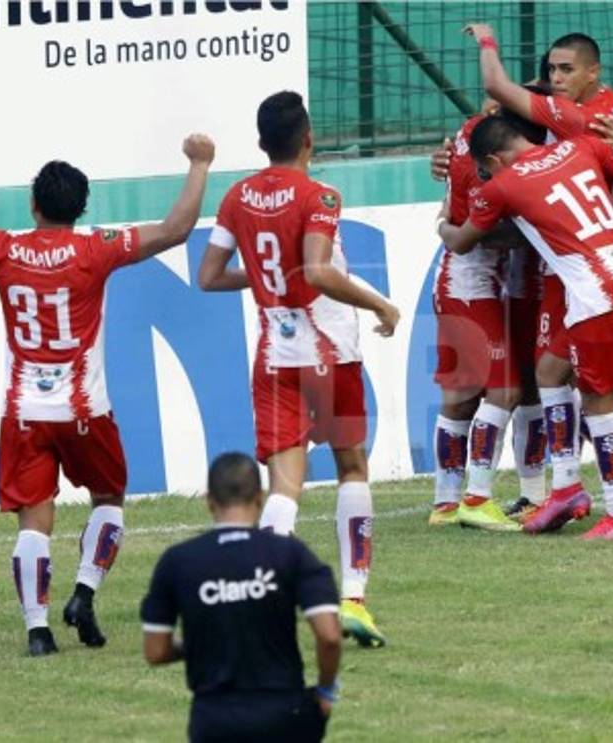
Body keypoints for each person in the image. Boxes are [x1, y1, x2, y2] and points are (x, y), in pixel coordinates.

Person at [0, 132, 216, 656]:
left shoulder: (3, 249)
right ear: (81, 209)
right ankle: (83, 592)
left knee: (34, 522)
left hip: (25, 414)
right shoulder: (94, 249)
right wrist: (199, 164)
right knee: (109, 498)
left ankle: (38, 631)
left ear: (33, 205)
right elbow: (177, 230)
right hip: (85, 410)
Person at [197, 90, 399, 647]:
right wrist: (378, 303)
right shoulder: (321, 196)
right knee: (351, 468)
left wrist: (263, 280)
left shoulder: (237, 196)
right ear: (309, 139)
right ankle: (354, 599)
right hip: (330, 351)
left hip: (277, 356)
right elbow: (316, 270)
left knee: (285, 485)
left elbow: (209, 276)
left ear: (262, 143)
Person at [461, 25, 613, 530]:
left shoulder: (577, 121)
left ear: (592, 72)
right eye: (551, 70)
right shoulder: (607, 118)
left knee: (606, 390)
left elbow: (498, 87)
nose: (554, 79)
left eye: (565, 70)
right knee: (556, 372)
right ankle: (570, 487)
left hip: (585, 271)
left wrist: (487, 42)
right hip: (603, 260)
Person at [141, 452, 342, 742]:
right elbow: (330, 636)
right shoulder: (291, 554)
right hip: (285, 714)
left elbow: (155, 651)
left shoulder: (178, 561)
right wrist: (325, 689)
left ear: (209, 501)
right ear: (260, 499)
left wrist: (205, 642)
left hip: (214, 721)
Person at [427, 102, 551, 532]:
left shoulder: (471, 136)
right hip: (470, 286)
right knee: (507, 390)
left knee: (464, 394)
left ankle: (445, 501)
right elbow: (471, 236)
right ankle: (477, 497)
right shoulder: (482, 173)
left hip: (474, 285)